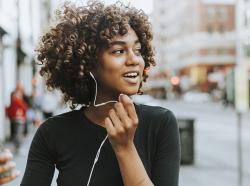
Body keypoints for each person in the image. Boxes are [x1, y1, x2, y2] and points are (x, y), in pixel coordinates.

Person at [21, 1, 180, 186]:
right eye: (119, 51)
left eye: (137, 50)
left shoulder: (161, 124)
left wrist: (125, 147)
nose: (134, 60)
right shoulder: (52, 133)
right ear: (88, 63)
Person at [6, 83, 28, 153]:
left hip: (18, 118)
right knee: (18, 134)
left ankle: (17, 148)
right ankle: (18, 148)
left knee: (18, 133)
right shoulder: (16, 96)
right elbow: (22, 106)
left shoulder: (16, 96)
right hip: (18, 118)